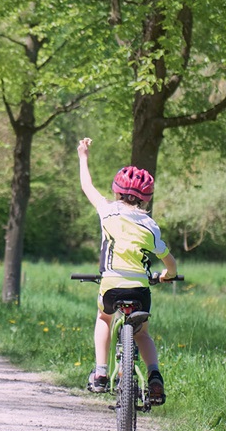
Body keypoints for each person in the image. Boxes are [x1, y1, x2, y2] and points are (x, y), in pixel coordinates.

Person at [76, 138, 177, 406]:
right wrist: (166, 275)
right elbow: (170, 263)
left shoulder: (107, 211)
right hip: (140, 289)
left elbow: (86, 185)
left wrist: (83, 155)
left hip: (110, 285)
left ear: (117, 191)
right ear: (147, 197)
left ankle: (100, 372)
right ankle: (154, 376)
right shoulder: (150, 225)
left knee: (104, 317)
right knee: (141, 333)